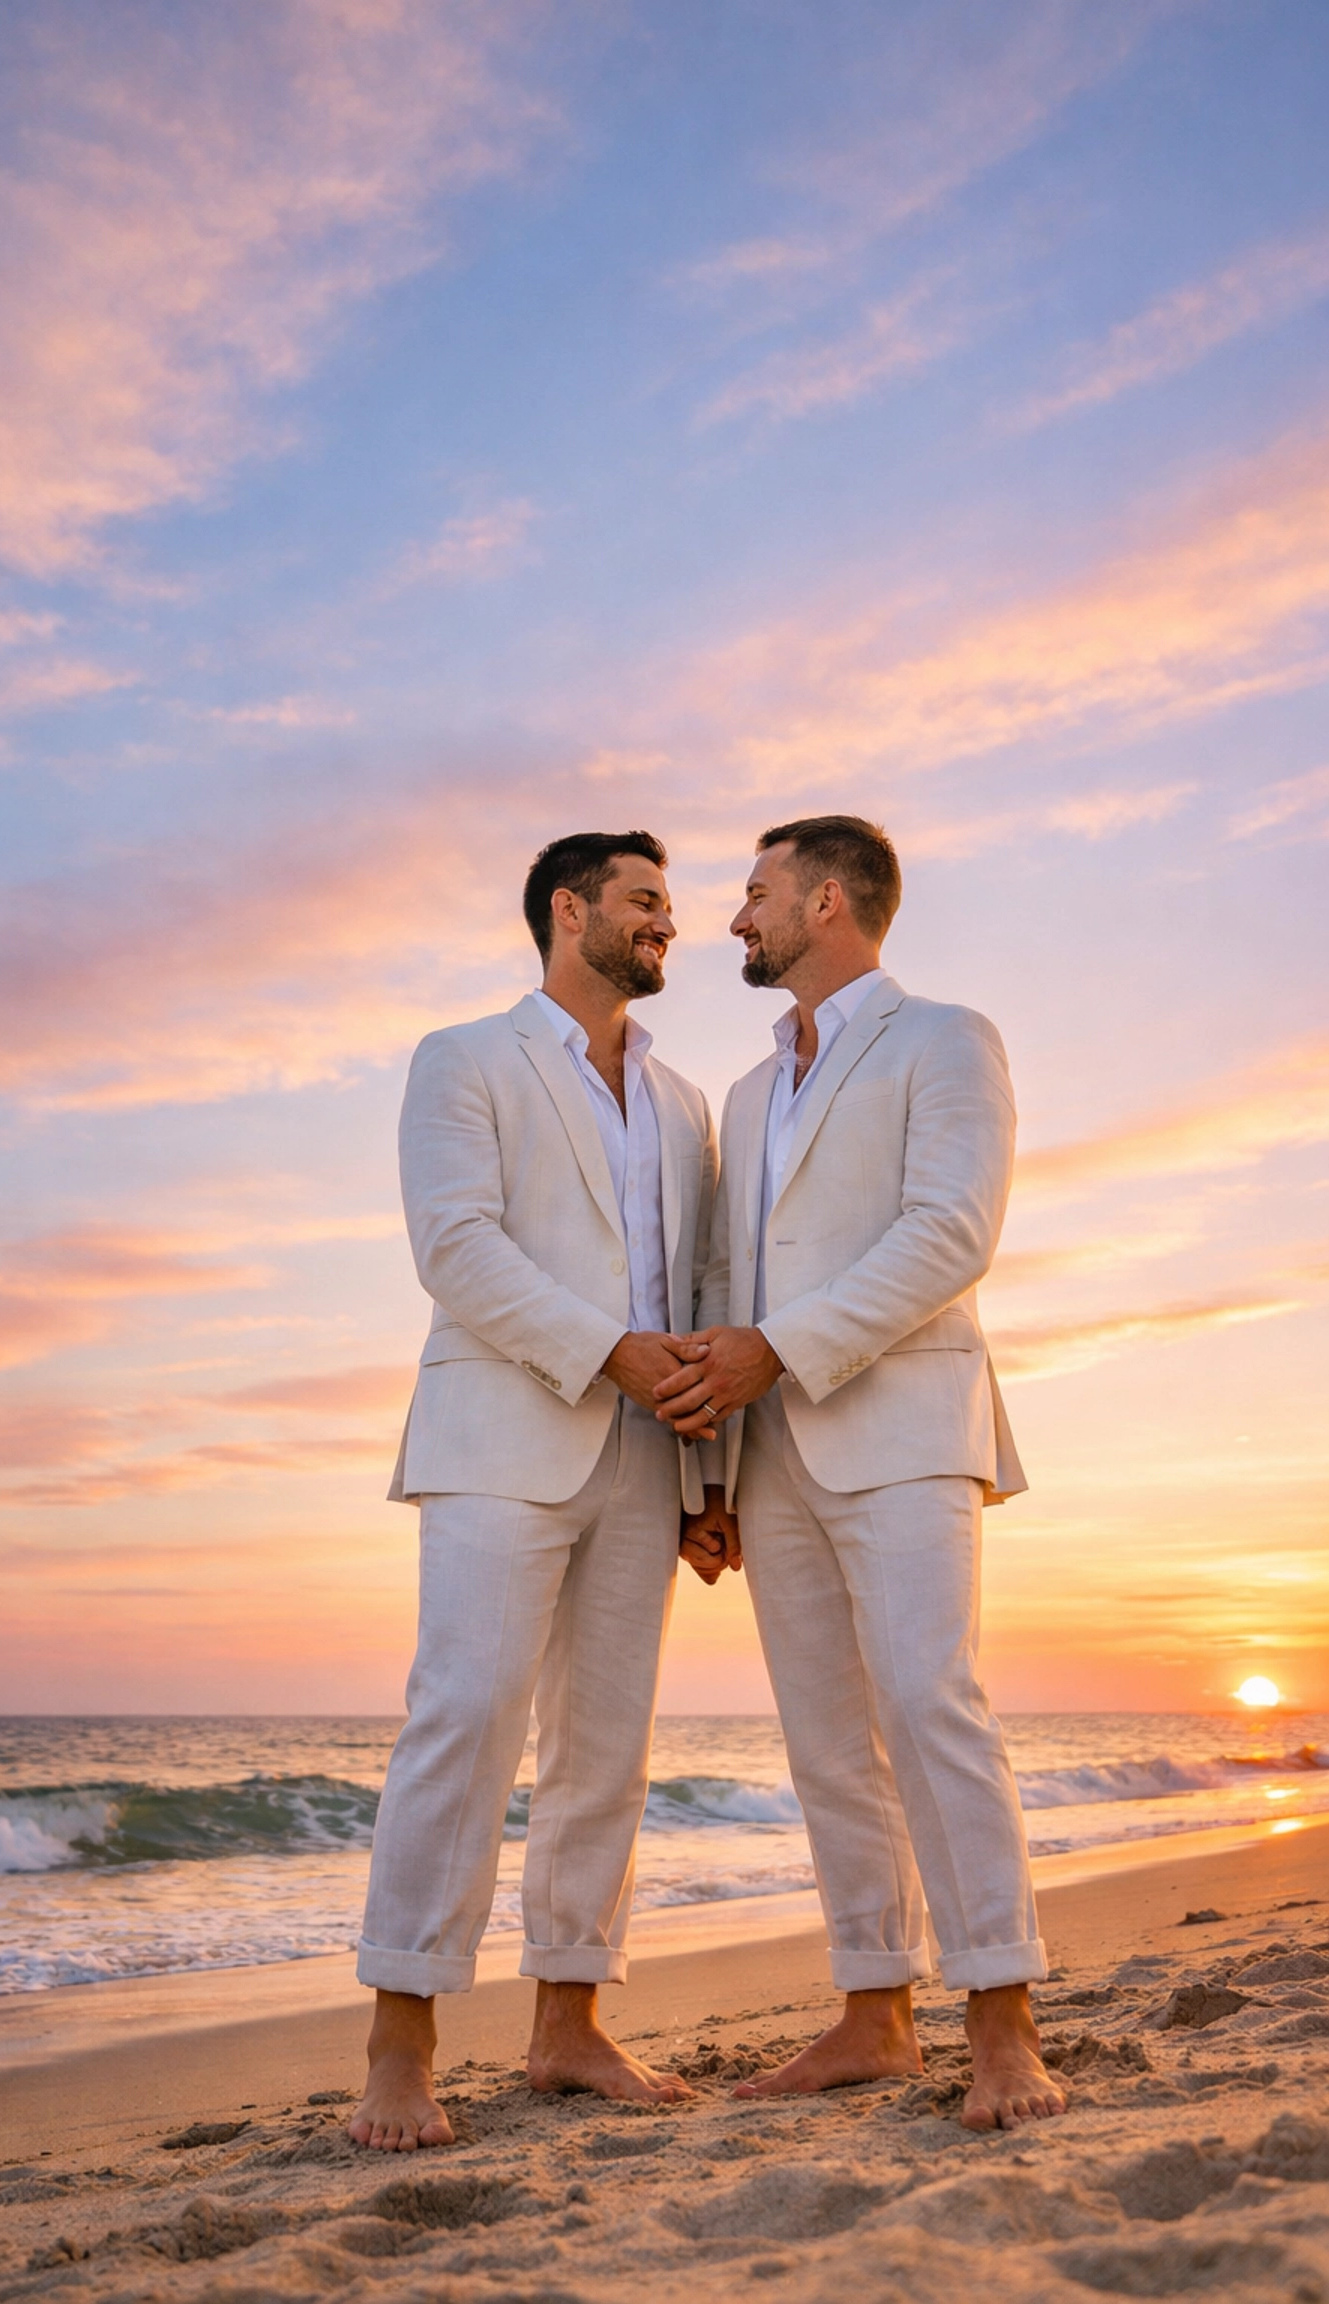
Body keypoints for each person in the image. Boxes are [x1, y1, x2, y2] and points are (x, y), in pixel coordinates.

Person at [662, 814, 1066, 2133]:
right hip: (770, 1452)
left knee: (927, 1703)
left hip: (903, 1427)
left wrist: (778, 1349)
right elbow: (724, 1283)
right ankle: (874, 2011)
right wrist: (708, 1473)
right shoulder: (745, 1093)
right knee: (829, 1742)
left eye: (756, 892)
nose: (736, 918)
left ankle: (1001, 2019)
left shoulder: (947, 1039)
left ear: (829, 900)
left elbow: (952, 1231)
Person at [351, 830, 718, 2152]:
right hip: (502, 1437)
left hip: (643, 1457)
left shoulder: (684, 1104)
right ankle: (401, 2049)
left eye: (668, 904)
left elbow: (698, 1292)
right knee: (465, 1721)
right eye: (645, 901)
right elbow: (455, 1246)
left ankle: (568, 2028)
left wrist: (704, 1472)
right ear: (570, 912)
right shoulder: (465, 1058)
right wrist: (606, 1353)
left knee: (606, 1752)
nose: (668, 922)